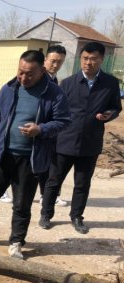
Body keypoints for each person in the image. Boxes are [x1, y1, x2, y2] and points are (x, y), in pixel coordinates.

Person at [0, 50, 71, 259]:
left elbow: (63, 121)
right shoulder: (8, 88)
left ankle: (16, 242)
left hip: (30, 158)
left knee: (22, 204)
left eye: (29, 74)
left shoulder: (54, 93)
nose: (23, 77)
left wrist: (40, 129)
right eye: (20, 72)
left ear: (42, 71)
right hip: (2, 154)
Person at [39, 42, 122, 234]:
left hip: (90, 142)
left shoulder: (110, 83)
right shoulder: (67, 83)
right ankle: (46, 214)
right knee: (54, 180)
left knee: (82, 184)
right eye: (85, 58)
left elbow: (116, 107)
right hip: (64, 140)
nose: (88, 63)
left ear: (102, 59)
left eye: (93, 59)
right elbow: (56, 111)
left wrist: (109, 114)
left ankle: (76, 217)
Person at [39, 45, 69, 208]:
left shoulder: (54, 79)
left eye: (60, 62)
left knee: (48, 163)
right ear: (45, 59)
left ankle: (47, 195)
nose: (56, 65)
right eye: (53, 61)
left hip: (47, 129)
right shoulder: (38, 77)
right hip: (35, 127)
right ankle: (2, 190)